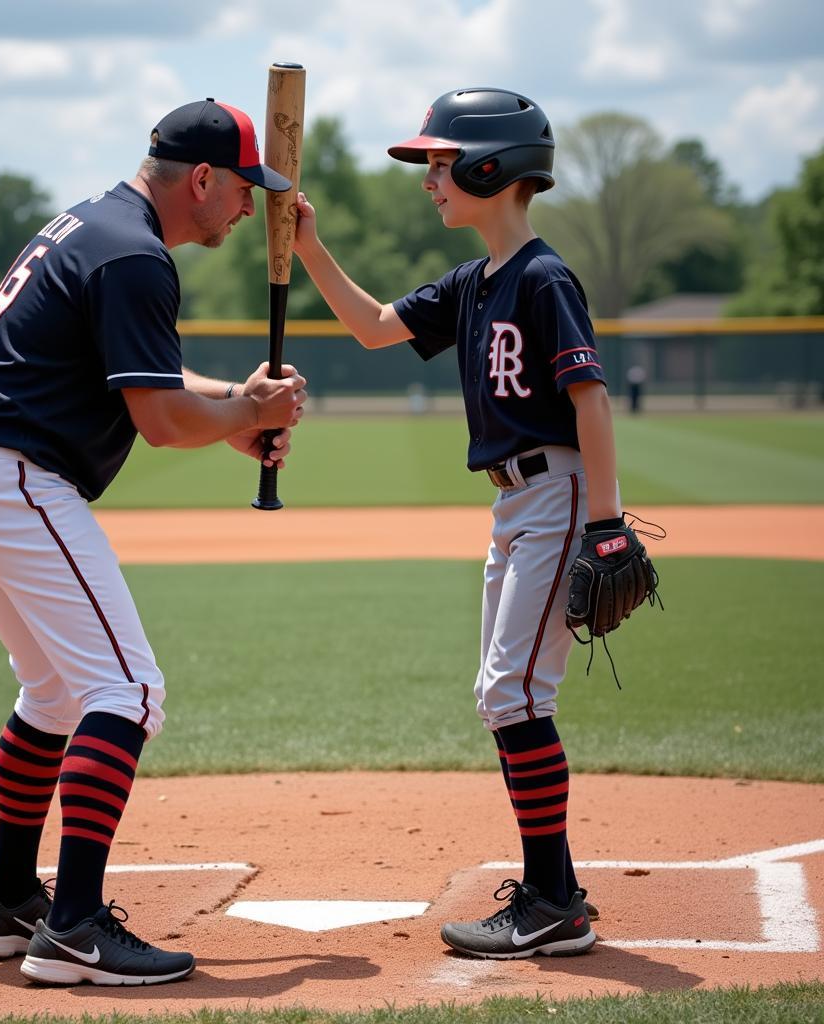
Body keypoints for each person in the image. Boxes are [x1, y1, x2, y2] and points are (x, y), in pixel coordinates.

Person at [0, 98, 307, 986]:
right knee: (127, 691)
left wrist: (237, 412)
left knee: (55, 693)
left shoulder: (96, 225)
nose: (251, 207)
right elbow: (164, 422)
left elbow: (149, 373)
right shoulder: (136, 254)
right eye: (244, 188)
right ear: (201, 180)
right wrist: (247, 412)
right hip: (13, 476)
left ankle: (10, 901)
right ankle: (78, 928)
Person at [293, 87, 618, 959]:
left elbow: (589, 400)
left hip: (558, 494)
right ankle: (558, 895)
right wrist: (309, 246)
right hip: (514, 502)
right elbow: (370, 328)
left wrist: (609, 525)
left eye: (441, 162)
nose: (430, 178)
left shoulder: (544, 277)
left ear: (492, 167)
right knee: (505, 694)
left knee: (512, 694)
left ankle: (551, 902)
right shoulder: (472, 284)